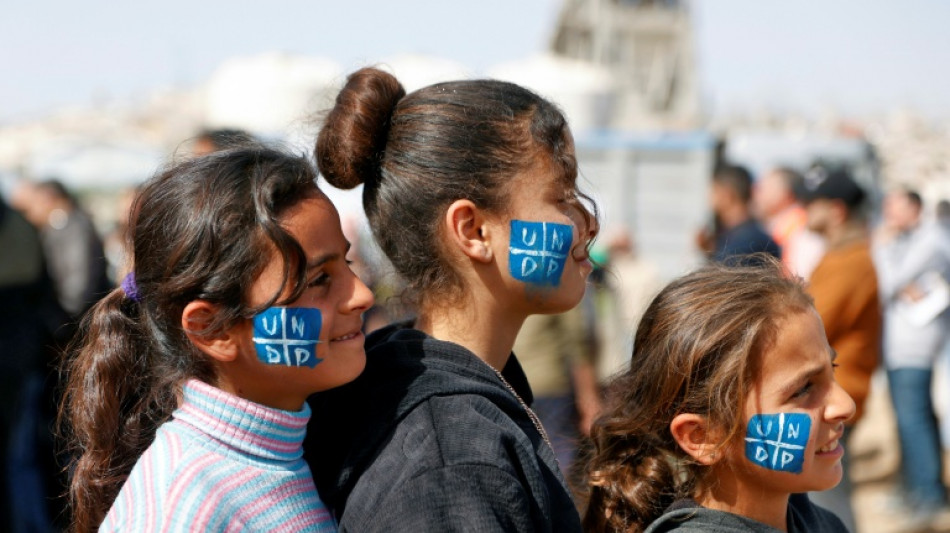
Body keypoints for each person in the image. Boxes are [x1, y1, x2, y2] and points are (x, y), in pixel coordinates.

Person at [304, 67, 598, 531]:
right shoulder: (451, 462)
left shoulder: (433, 394)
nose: (586, 224)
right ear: (474, 230)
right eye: (561, 197)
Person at [59, 147, 374, 531]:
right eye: (319, 281)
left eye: (348, 263)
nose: (362, 296)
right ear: (214, 329)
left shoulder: (294, 448)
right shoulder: (180, 510)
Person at [585, 259, 853, 532]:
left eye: (832, 369)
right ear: (702, 437)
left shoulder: (825, 525)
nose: (845, 405)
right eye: (803, 389)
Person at [800, 167, 881, 532]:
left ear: (836, 210)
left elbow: (807, 326)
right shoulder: (839, 256)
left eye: (812, 202)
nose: (805, 209)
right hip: (825, 392)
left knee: (825, 502)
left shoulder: (854, 261)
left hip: (833, 398)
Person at [873, 187, 950, 518]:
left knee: (912, 420)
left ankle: (927, 497)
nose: (888, 212)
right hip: (899, 343)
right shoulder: (909, 240)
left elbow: (886, 282)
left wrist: (879, 247)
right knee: (914, 418)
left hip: (913, 344)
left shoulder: (930, 240)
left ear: (914, 207)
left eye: (895, 205)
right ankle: (918, 490)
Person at [698, 164, 781, 265]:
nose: (709, 198)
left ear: (727, 195)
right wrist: (710, 250)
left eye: (714, 191)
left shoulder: (743, 244)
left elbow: (724, 276)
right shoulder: (752, 236)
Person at [753, 166, 826, 279]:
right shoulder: (778, 224)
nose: (756, 193)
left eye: (764, 188)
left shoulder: (802, 227)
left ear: (787, 193)